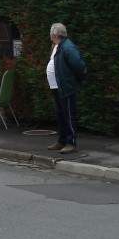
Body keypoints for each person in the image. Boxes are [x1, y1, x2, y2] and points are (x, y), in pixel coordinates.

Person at [47, 23, 86, 154]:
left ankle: (71, 142)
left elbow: (79, 66)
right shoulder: (58, 46)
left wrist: (72, 81)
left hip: (65, 87)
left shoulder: (67, 47)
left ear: (53, 35)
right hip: (57, 87)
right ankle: (62, 140)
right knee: (60, 114)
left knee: (68, 115)